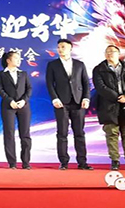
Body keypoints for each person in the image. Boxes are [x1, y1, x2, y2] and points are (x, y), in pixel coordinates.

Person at [92, 45, 125, 171]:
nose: (110, 54)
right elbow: (100, 87)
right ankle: (115, 160)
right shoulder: (99, 69)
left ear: (119, 53)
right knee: (112, 133)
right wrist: (116, 97)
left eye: (113, 52)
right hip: (108, 105)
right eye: (107, 52)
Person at [45, 39, 93, 170]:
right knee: (62, 133)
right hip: (61, 103)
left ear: (70, 48)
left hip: (78, 102)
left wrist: (86, 98)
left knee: (79, 133)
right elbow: (49, 83)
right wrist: (55, 98)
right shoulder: (52, 65)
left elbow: (86, 83)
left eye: (63, 47)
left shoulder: (79, 64)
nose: (60, 49)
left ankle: (82, 162)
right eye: (59, 47)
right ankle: (64, 162)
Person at [0, 50, 32, 170]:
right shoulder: (1, 74)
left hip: (23, 106)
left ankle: (26, 162)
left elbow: (29, 89)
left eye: (19, 58)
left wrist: (24, 101)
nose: (19, 60)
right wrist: (10, 100)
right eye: (16, 58)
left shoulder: (23, 74)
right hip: (8, 106)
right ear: (8, 60)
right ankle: (12, 162)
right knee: (9, 133)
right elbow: (0, 89)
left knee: (25, 134)